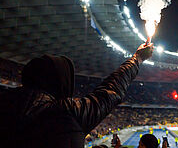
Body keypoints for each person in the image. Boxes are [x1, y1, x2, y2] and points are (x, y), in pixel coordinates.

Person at [0, 43, 153, 148]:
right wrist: (137, 59)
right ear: (61, 81)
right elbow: (110, 91)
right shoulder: (65, 111)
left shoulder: (5, 104)